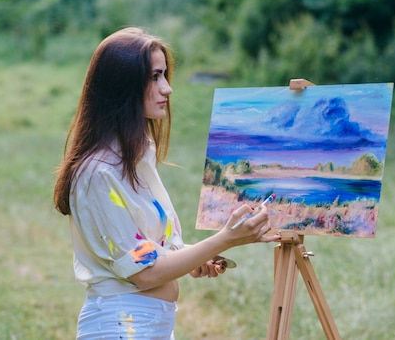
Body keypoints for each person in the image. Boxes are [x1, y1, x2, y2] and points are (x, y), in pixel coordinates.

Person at [53, 27, 277, 339]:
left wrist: (196, 254)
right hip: (122, 328)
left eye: (165, 75)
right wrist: (224, 239)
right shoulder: (97, 172)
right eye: (156, 76)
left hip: (145, 326)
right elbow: (145, 273)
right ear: (124, 86)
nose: (168, 88)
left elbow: (146, 252)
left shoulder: (133, 159)